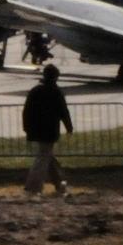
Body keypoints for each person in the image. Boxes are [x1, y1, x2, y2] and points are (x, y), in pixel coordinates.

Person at [22, 64, 74, 197]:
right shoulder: (56, 92)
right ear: (56, 77)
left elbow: (26, 111)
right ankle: (33, 187)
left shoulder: (35, 91)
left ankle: (60, 183)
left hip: (35, 129)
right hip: (49, 130)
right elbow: (63, 111)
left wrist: (27, 127)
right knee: (43, 158)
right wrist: (69, 127)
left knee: (47, 156)